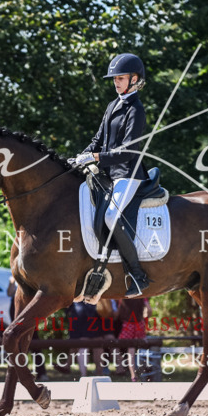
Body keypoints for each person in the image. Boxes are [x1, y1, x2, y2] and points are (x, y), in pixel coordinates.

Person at [71, 53, 151, 298]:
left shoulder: (136, 110)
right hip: (108, 173)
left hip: (127, 174)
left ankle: (138, 275)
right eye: (114, 78)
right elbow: (98, 140)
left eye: (120, 78)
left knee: (112, 216)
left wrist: (95, 159)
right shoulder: (112, 105)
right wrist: (79, 157)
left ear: (134, 79)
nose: (116, 82)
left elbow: (127, 151)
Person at [116, 297, 150, 382]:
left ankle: (130, 374)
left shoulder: (123, 296)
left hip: (128, 324)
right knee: (141, 349)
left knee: (127, 349)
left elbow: (119, 312)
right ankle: (144, 372)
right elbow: (149, 309)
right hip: (139, 324)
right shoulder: (142, 296)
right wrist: (145, 317)